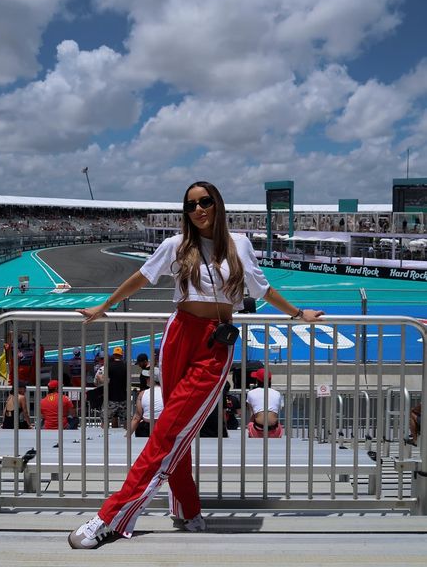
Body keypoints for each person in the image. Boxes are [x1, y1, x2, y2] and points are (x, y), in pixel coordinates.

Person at [69, 180, 324, 549]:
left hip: (214, 345)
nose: (199, 209)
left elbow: (261, 289)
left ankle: (110, 517)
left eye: (205, 201)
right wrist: (105, 306)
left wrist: (299, 313)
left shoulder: (240, 245)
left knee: (168, 432)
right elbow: (142, 277)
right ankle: (187, 509)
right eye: (191, 205)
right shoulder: (176, 245)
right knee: (174, 430)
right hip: (178, 336)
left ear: (217, 204)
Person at [94, 346, 127, 428]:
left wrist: (98, 377)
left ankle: (103, 437)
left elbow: (104, 381)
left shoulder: (109, 366)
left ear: (114, 355)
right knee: (126, 421)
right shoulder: (125, 366)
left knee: (105, 420)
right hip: (123, 397)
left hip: (111, 398)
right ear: (121, 355)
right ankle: (127, 437)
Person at [246, 368, 284, 438]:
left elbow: (252, 415)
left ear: (257, 380)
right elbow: (277, 412)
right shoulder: (277, 393)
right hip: (275, 430)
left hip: (257, 430)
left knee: (250, 424)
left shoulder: (251, 393)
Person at [128, 368, 163, 437]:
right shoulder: (167, 393)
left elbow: (137, 417)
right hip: (163, 427)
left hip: (147, 428)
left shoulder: (142, 394)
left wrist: (127, 436)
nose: (146, 379)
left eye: (147, 378)